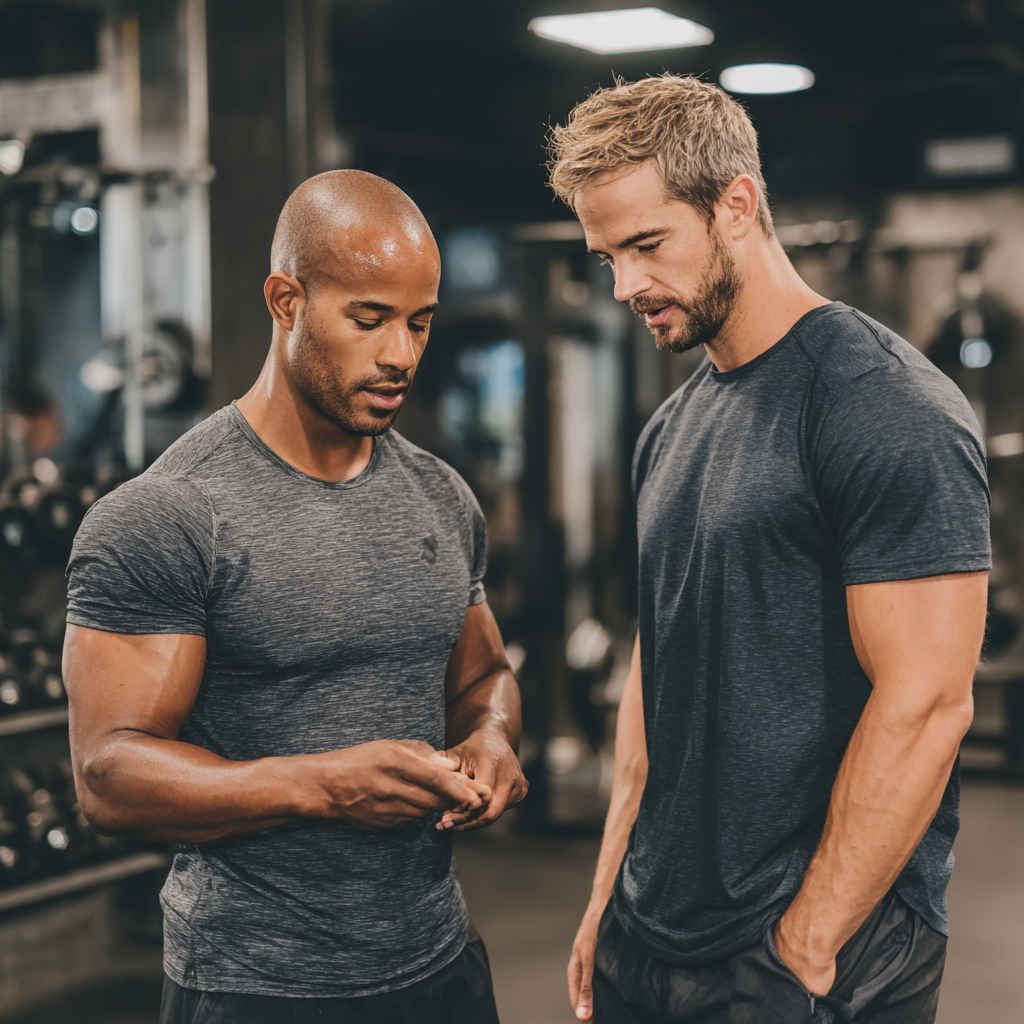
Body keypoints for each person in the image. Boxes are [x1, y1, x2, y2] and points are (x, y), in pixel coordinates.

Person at [550, 75, 990, 1023]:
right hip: (653, 928)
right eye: (606, 258)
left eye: (647, 246)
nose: (626, 286)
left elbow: (928, 704)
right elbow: (654, 663)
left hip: (808, 951)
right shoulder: (668, 429)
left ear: (737, 204)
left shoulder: (884, 408)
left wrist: (809, 942)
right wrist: (606, 892)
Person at [63, 170, 527, 1024]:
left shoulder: (440, 497)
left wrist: (491, 736)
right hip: (257, 987)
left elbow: (482, 674)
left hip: (441, 963)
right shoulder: (173, 514)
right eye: (369, 318)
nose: (402, 354)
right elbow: (109, 774)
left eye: (419, 323)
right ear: (286, 301)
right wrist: (322, 785)